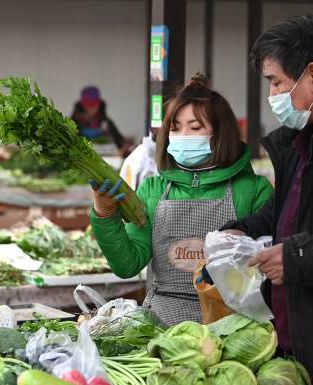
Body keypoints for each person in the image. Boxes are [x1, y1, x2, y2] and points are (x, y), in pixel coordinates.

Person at [89, 75, 273, 326]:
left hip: (232, 323)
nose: (182, 135)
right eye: (175, 127)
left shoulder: (254, 190)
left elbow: (267, 271)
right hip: (161, 324)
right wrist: (104, 214)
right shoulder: (152, 189)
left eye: (195, 128)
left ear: (221, 134)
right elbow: (127, 265)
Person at [220, 15, 313, 373]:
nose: (272, 96)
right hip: (293, 340)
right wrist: (241, 230)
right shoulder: (295, 145)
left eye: (276, 83)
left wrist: (296, 257)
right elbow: (284, 211)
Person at [71, 86, 132, 155]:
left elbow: (119, 140)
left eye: (94, 105)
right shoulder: (73, 123)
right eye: (88, 105)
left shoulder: (107, 122)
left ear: (99, 104)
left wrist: (125, 146)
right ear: (82, 105)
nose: (91, 108)